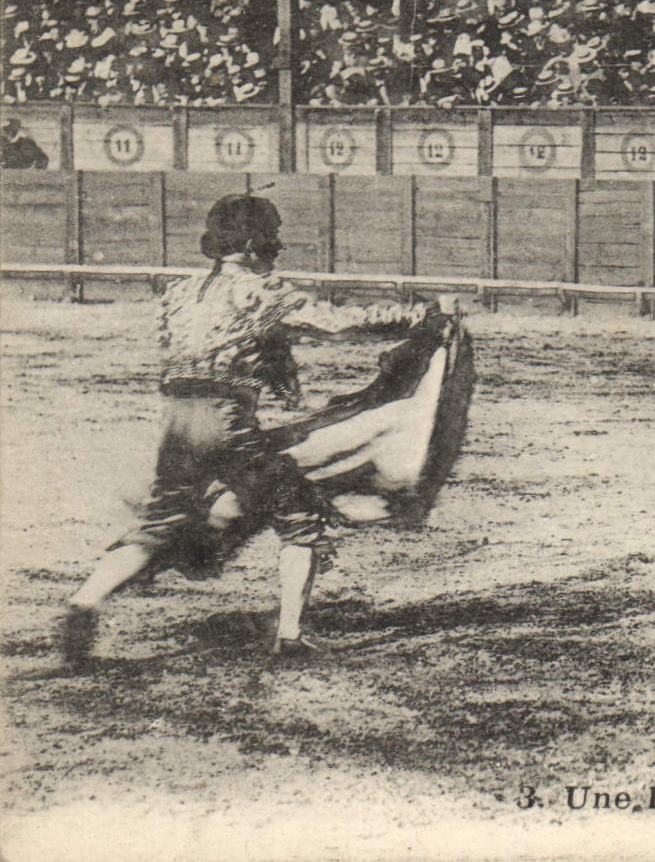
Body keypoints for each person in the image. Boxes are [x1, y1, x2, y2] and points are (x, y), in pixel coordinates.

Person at [60, 194, 432, 671]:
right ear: (256, 244)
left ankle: (84, 603)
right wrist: (418, 317)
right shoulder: (264, 290)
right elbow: (336, 326)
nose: (276, 249)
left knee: (157, 526)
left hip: (175, 422)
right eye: (271, 240)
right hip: (228, 423)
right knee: (300, 519)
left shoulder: (178, 291)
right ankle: (291, 638)